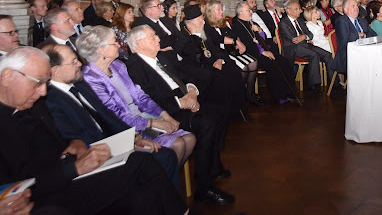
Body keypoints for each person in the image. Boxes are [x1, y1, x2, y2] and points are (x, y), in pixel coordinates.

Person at [0, 46, 189, 214]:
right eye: (38, 82)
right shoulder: (37, 104)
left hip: (65, 175)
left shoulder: (34, 106)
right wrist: (74, 169)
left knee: (144, 195)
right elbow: (19, 180)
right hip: (49, 191)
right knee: (140, 164)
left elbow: (58, 143)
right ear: (8, 76)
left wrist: (75, 143)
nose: (43, 91)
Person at [41, 42, 185, 190]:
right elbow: (76, 139)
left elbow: (108, 116)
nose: (79, 63)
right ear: (56, 71)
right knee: (159, 159)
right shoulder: (51, 101)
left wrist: (134, 138)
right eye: (73, 62)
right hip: (96, 153)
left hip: (116, 141)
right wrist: (124, 144)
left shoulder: (80, 85)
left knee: (166, 156)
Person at [126, 25, 235, 204]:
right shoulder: (134, 67)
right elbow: (148, 100)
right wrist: (180, 103)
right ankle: (204, 187)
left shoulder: (160, 57)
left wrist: (192, 91)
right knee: (207, 122)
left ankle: (213, 166)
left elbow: (183, 75)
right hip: (166, 113)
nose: (158, 39)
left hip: (184, 100)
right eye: (153, 36)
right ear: (140, 43)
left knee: (221, 111)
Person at [180, 4, 246, 118]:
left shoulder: (203, 32)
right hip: (201, 69)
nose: (204, 23)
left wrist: (219, 59)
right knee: (221, 78)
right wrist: (212, 65)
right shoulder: (185, 38)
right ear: (192, 22)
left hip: (215, 62)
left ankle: (237, 109)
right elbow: (193, 62)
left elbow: (214, 48)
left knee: (234, 70)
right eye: (201, 20)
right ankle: (224, 112)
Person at [231, 2, 297, 104]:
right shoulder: (237, 25)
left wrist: (260, 30)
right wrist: (262, 52)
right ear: (241, 12)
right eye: (248, 10)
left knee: (285, 62)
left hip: (263, 50)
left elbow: (263, 38)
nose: (251, 12)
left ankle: (291, 93)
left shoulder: (251, 22)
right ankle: (280, 96)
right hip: (252, 55)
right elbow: (246, 44)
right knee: (274, 65)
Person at [204, 0, 261, 106]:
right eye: (218, 9)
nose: (222, 12)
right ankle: (239, 96)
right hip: (218, 54)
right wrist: (236, 42)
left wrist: (238, 41)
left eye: (222, 9)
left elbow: (233, 34)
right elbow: (218, 39)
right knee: (243, 68)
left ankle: (250, 94)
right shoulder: (206, 26)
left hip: (229, 51)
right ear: (211, 11)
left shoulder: (222, 22)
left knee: (253, 62)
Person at [279, 0, 334, 96]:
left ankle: (334, 83)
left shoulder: (300, 21)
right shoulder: (283, 23)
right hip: (293, 48)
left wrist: (304, 36)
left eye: (299, 9)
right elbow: (293, 39)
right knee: (314, 55)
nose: (299, 11)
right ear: (288, 11)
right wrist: (304, 37)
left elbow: (310, 34)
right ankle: (314, 85)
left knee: (327, 54)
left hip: (306, 44)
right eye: (296, 9)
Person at [331, 0, 376, 91]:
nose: (357, 8)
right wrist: (358, 34)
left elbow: (373, 35)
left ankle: (372, 88)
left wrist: (364, 35)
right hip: (348, 53)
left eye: (357, 6)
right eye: (353, 6)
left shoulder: (362, 21)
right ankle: (362, 89)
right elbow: (345, 40)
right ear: (346, 10)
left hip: (365, 51)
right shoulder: (341, 20)